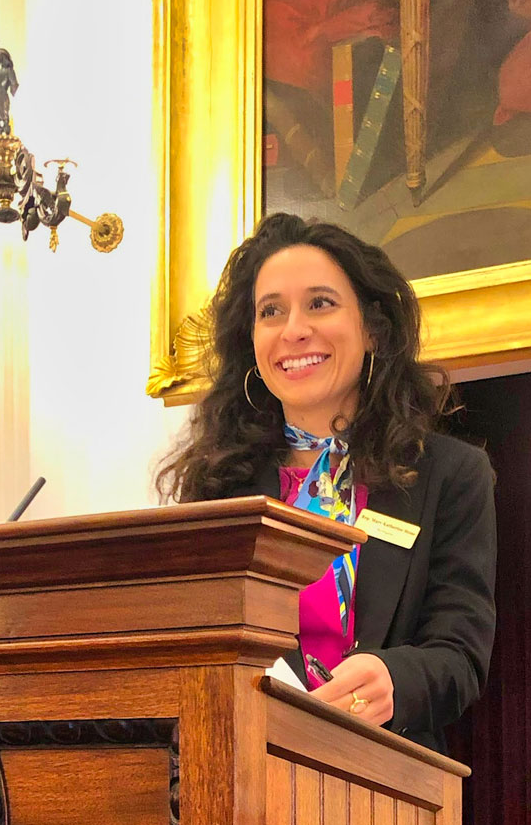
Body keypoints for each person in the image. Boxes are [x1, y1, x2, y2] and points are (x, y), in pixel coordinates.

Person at [155, 213, 496, 755]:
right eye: (271, 312)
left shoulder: (448, 475)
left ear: (373, 329)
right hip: (237, 767)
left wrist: (393, 679)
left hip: (383, 781)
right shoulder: (218, 487)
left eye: (320, 303)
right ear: (252, 344)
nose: (294, 330)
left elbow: (459, 655)